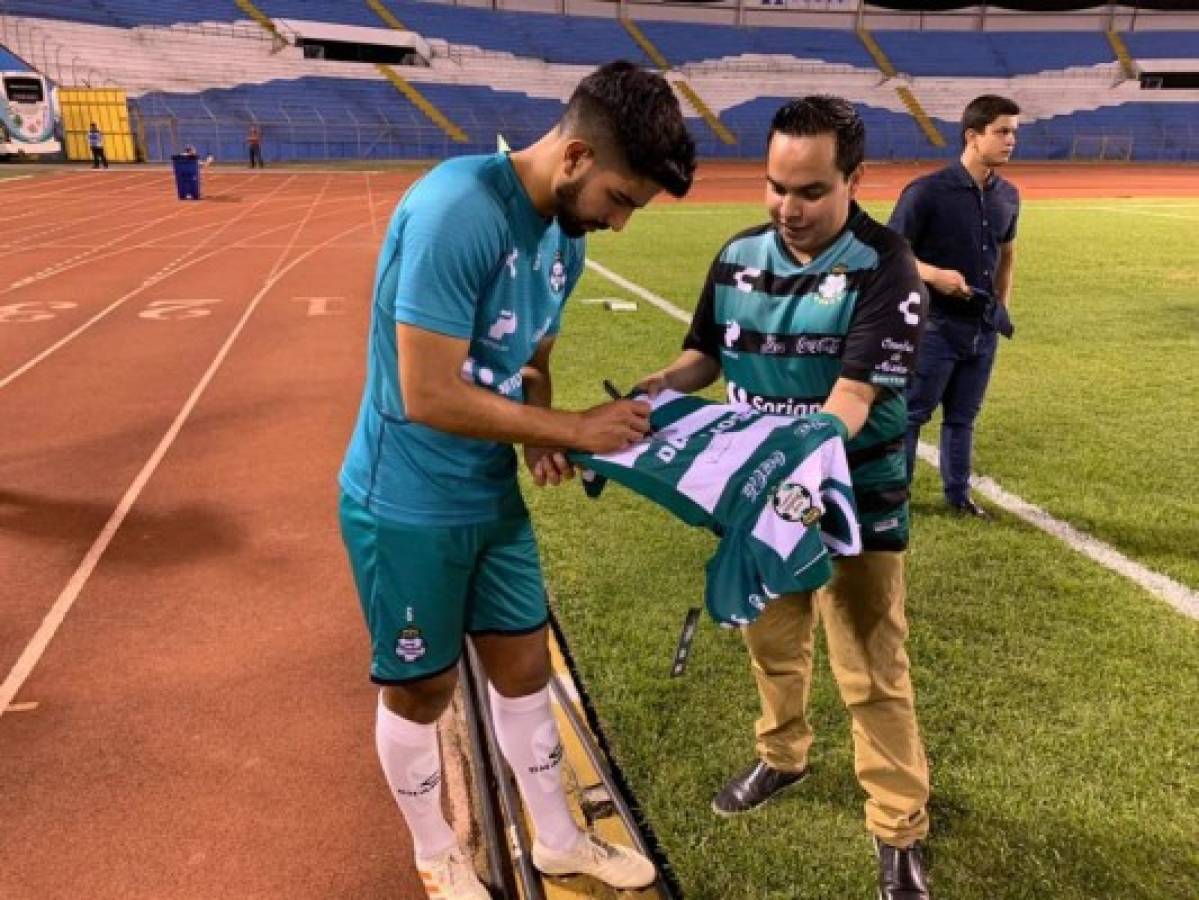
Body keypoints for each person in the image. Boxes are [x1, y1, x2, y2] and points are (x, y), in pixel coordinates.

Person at [337, 61, 696, 900]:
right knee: (422, 687)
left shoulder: (563, 237)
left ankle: (560, 841)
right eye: (621, 199)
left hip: (487, 492)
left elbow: (534, 351)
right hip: (406, 499)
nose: (619, 223)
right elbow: (425, 393)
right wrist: (571, 427)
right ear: (573, 158)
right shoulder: (453, 209)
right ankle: (436, 852)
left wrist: (540, 418)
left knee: (525, 664)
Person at [636, 96, 932, 900]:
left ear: (854, 180)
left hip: (852, 505)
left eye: (808, 192)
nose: (787, 208)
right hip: (758, 500)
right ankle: (782, 757)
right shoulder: (735, 255)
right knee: (771, 646)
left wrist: (788, 453)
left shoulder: (886, 265)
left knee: (870, 667)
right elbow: (703, 354)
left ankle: (898, 824)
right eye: (774, 187)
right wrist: (657, 387)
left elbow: (852, 402)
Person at [889, 95, 1021, 518]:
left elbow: (1007, 255)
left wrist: (999, 307)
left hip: (982, 330)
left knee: (963, 418)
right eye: (1002, 131)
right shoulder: (926, 192)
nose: (1011, 140)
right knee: (912, 415)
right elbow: (890, 253)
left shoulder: (1009, 196)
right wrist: (934, 275)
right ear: (972, 135)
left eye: (1014, 132)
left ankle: (958, 497)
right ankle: (897, 498)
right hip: (934, 327)